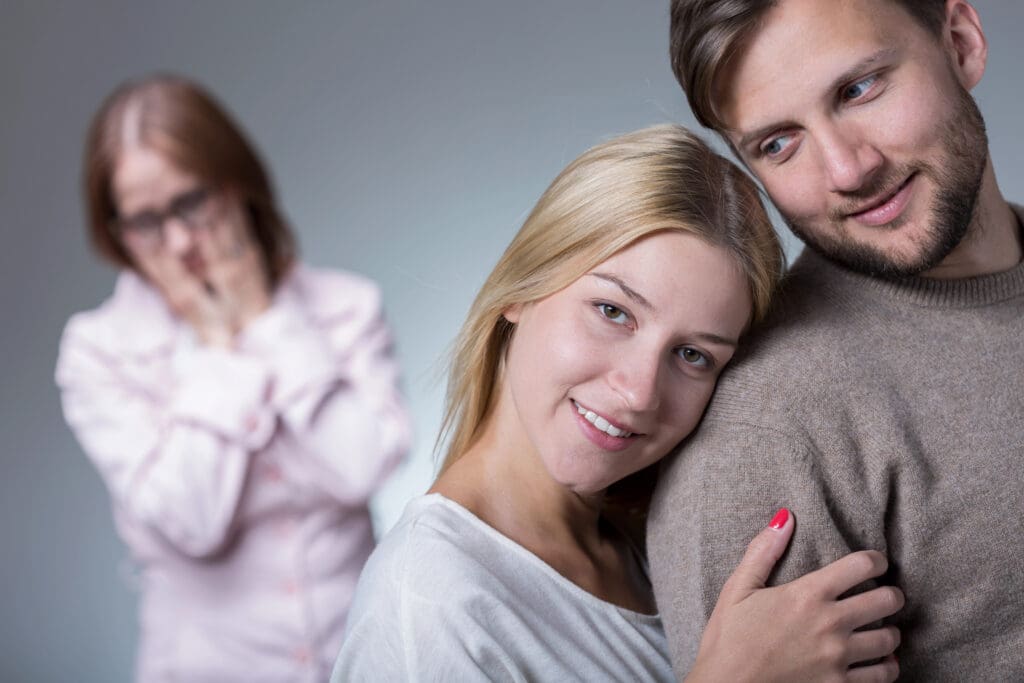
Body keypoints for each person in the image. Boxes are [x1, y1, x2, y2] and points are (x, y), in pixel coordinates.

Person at [332, 124, 902, 682]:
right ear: (522, 289)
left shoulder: (652, 542)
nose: (639, 391)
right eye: (613, 312)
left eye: (692, 355)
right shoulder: (427, 605)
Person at [649, 0, 1024, 679]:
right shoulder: (771, 432)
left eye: (858, 89)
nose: (848, 170)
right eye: (778, 143)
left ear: (962, 41)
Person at [55, 74, 411, 682]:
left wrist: (269, 323)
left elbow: (363, 468)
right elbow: (190, 522)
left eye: (191, 202)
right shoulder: (97, 351)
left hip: (360, 660)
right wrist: (222, 349)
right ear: (114, 230)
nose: (178, 241)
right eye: (144, 222)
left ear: (237, 184)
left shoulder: (345, 306)